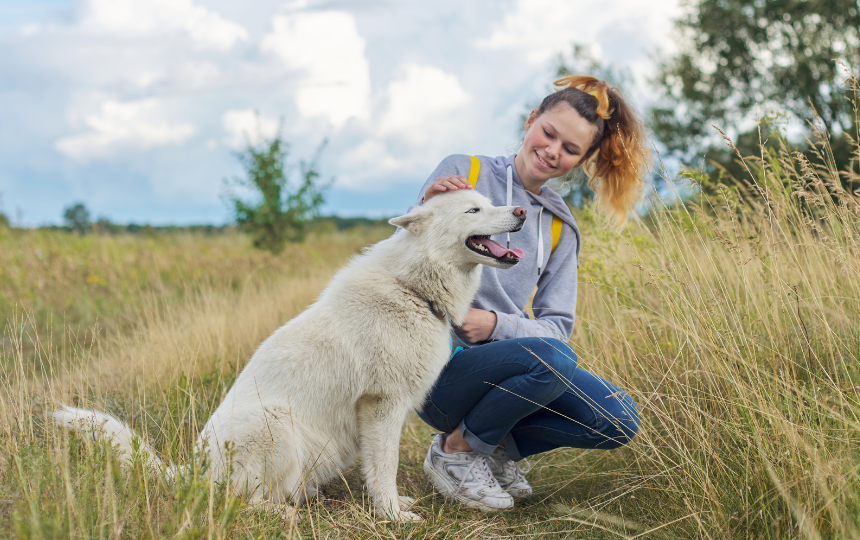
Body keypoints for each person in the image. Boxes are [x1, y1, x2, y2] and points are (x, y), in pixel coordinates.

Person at [410, 75, 651, 511]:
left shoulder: (561, 227)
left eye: (571, 149)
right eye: (549, 133)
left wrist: (495, 325)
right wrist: (426, 206)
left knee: (618, 417)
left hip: (505, 358)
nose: (553, 150)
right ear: (531, 121)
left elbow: (557, 329)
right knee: (550, 360)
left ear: (580, 161)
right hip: (437, 370)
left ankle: (490, 445)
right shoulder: (465, 171)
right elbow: (407, 256)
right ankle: (456, 452)